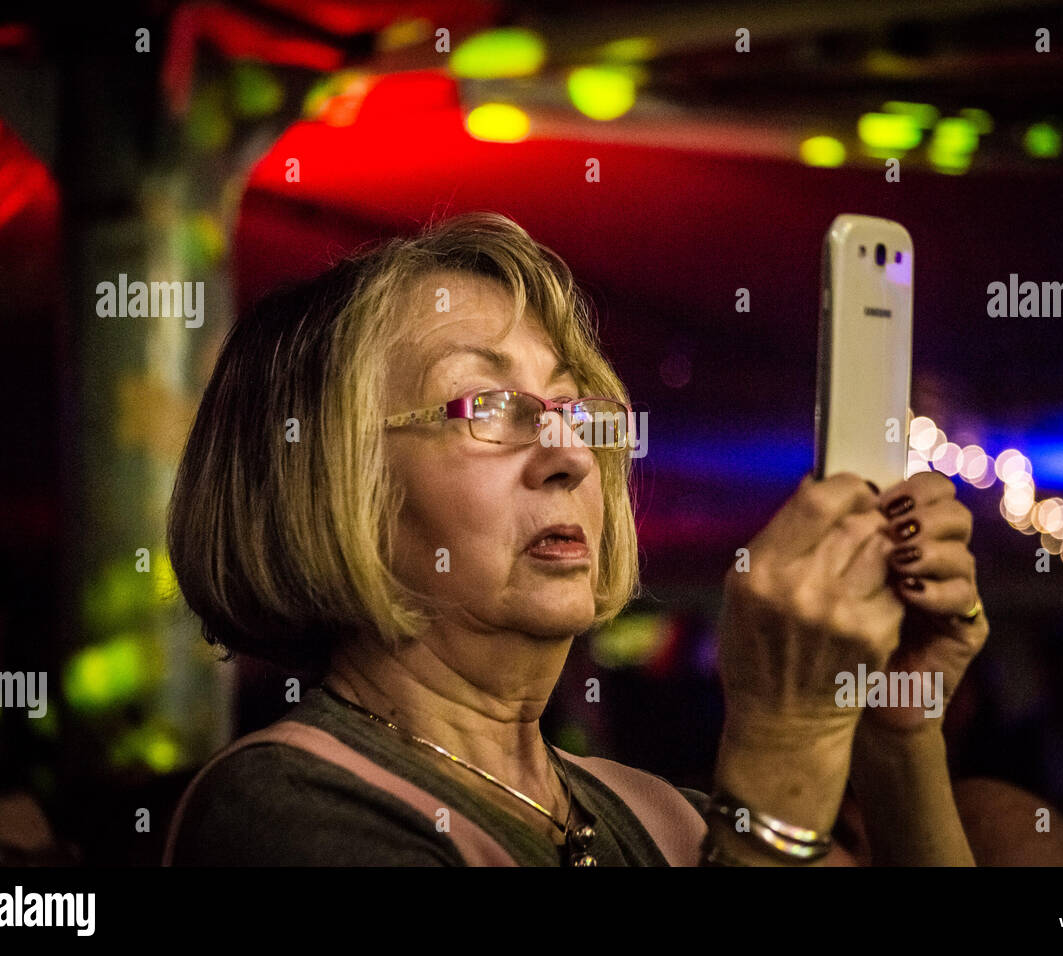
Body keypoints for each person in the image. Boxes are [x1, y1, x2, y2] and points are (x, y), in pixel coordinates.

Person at [163, 211, 989, 866]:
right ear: (326, 483)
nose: (567, 454)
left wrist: (891, 729)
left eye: (574, 408)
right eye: (486, 407)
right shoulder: (279, 807)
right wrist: (782, 745)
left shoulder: (662, 817)